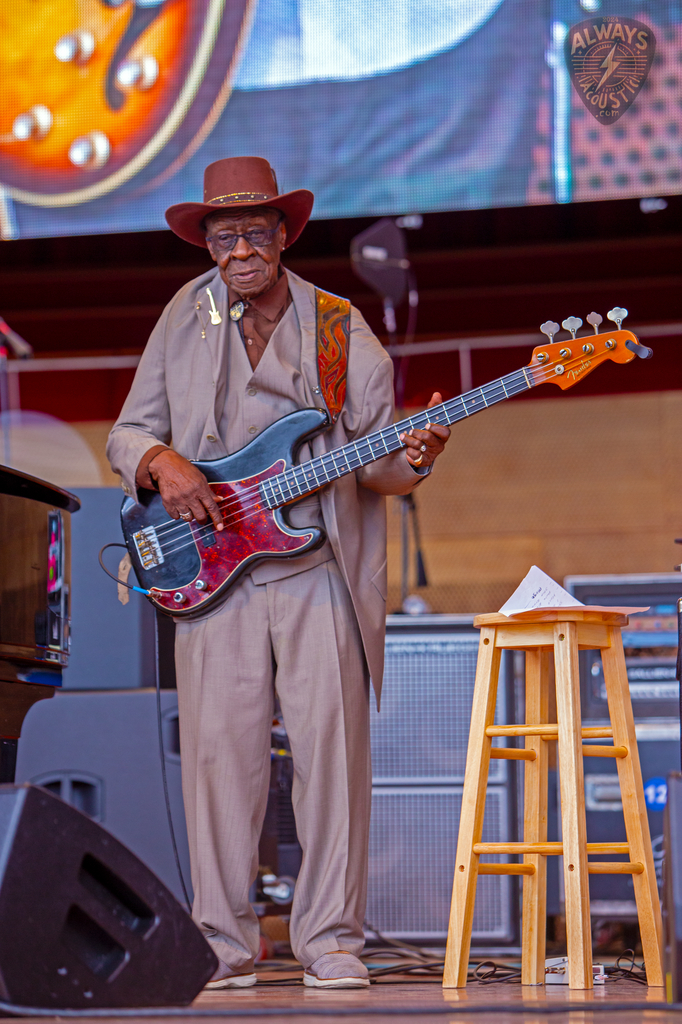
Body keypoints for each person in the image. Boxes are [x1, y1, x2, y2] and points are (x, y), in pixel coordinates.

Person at [107, 156, 450, 989]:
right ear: (208, 244)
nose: (239, 251)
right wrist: (160, 462)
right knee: (220, 763)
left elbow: (377, 462)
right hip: (214, 569)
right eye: (223, 236)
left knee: (333, 759)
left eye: (254, 233)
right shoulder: (184, 313)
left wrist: (415, 456)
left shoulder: (338, 324)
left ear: (284, 234)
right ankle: (223, 944)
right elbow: (126, 433)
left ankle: (330, 940)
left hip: (316, 568)